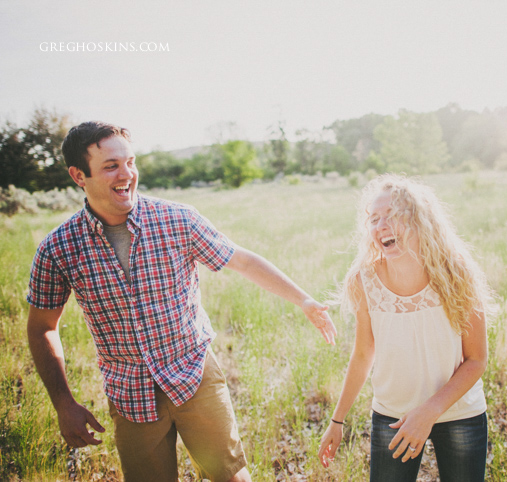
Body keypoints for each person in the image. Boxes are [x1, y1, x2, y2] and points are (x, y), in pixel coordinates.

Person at [26, 121, 337, 482]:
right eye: (111, 166)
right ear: (79, 175)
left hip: (193, 374)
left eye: (130, 162)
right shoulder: (58, 248)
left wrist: (304, 300)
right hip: (131, 391)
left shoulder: (177, 219)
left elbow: (242, 259)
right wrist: (63, 403)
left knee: (232, 477)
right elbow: (42, 328)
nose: (127, 174)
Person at [318, 174, 493, 481]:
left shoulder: (456, 272)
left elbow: (476, 360)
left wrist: (429, 412)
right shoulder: (364, 279)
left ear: (420, 220)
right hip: (393, 415)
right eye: (374, 219)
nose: (380, 226)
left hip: (459, 413)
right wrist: (337, 420)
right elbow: (363, 354)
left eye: (392, 215)